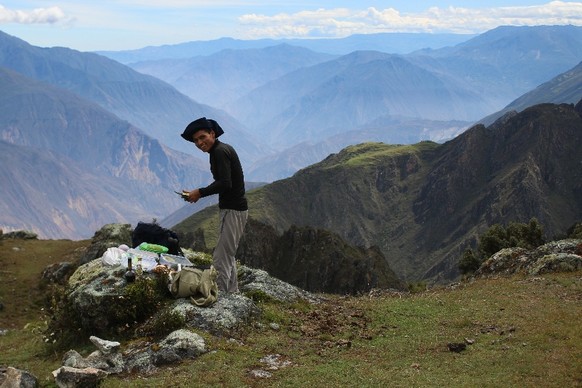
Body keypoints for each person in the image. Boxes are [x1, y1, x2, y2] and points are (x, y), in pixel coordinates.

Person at [180, 117, 248, 294]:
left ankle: (220, 296)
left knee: (221, 257)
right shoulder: (218, 150)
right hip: (231, 209)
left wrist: (199, 192)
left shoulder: (219, 151)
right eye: (196, 140)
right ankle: (232, 293)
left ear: (212, 133)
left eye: (202, 137)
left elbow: (225, 183)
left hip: (234, 210)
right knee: (227, 253)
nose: (199, 143)